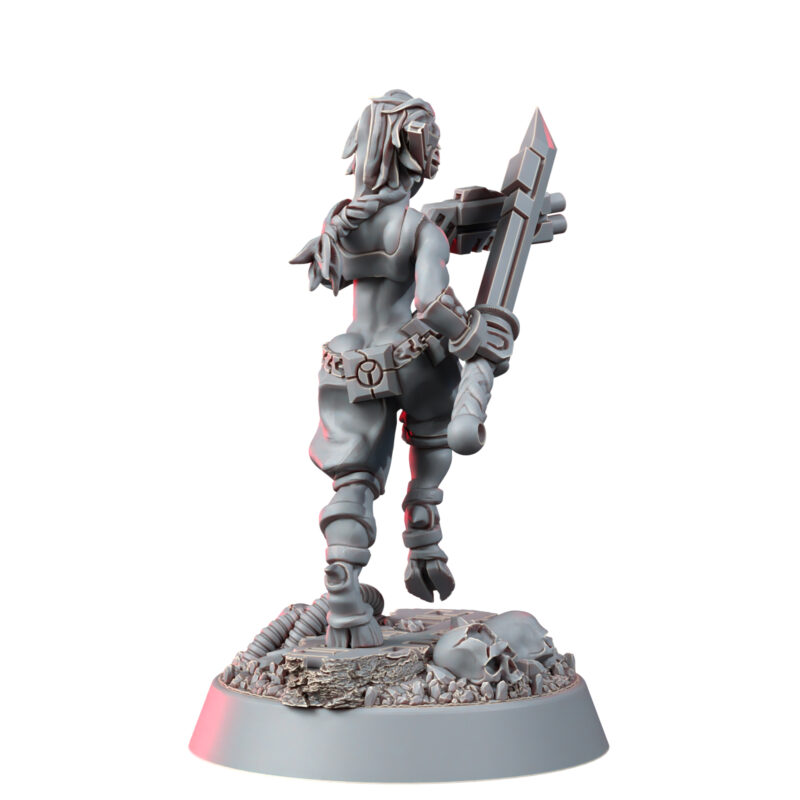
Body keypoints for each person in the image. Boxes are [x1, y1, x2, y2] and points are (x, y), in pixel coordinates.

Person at [291, 91, 502, 647]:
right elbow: (431, 303)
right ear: (415, 153)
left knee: (353, 481)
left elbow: (343, 270)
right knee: (434, 429)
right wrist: (475, 337)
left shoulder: (339, 221)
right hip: (412, 359)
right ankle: (423, 519)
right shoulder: (420, 231)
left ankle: (344, 596)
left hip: (349, 365)